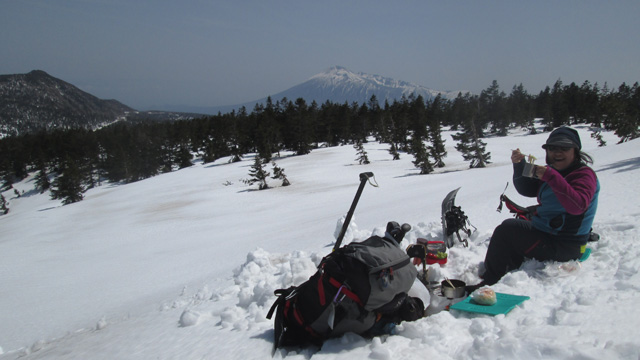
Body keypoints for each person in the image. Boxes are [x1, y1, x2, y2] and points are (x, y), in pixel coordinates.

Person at [472, 126, 600, 289]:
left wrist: (551, 176)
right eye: (553, 148)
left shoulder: (583, 175)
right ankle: (505, 268)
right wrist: (520, 164)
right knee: (513, 225)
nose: (557, 153)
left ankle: (489, 281)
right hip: (549, 234)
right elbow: (527, 188)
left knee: (506, 231)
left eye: (564, 148)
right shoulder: (554, 170)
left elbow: (578, 206)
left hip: (565, 244)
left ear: (575, 151)